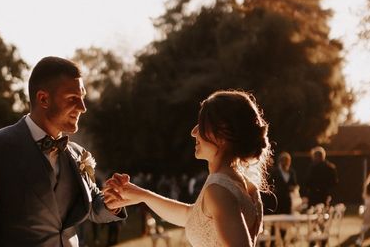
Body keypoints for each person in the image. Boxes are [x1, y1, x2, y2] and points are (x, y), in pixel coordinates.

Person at [0, 56, 126, 247]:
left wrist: (110, 202)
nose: (82, 108)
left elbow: (92, 207)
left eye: (82, 97)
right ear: (43, 99)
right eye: (73, 99)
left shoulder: (78, 154)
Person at [104, 89, 271, 246]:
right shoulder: (240, 185)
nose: (193, 132)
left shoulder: (219, 189)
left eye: (201, 124)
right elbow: (192, 216)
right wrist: (143, 196)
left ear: (222, 134)